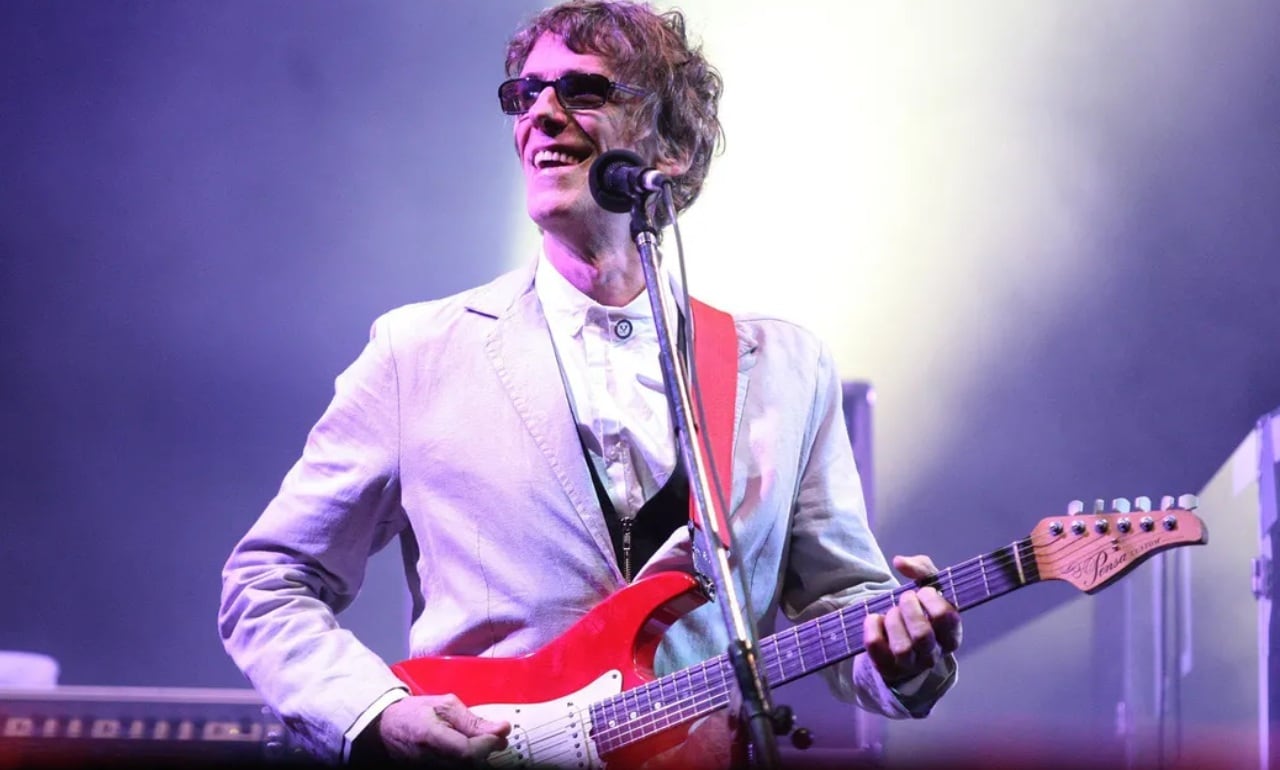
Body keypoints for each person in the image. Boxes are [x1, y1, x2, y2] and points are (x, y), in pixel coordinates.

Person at [218, 1, 962, 766]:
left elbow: (845, 605)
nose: (541, 114)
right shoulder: (418, 353)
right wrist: (376, 713)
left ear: (670, 147)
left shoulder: (785, 368)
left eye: (583, 91)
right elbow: (267, 582)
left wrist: (902, 652)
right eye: (525, 93)